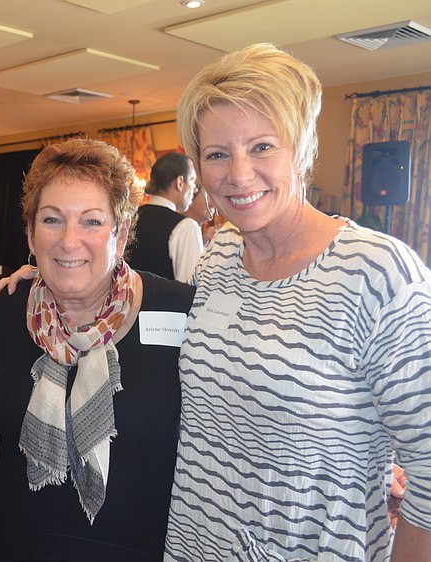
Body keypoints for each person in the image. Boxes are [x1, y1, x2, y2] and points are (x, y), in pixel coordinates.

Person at [164, 43, 431, 561]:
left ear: (302, 150)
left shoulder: (377, 273)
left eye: (263, 146)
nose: (239, 175)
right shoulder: (216, 261)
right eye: (217, 154)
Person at [0, 138, 194, 561]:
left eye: (92, 222)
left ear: (122, 231)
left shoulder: (180, 311)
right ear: (30, 231)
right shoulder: (3, 316)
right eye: (52, 219)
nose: (69, 241)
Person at [128, 152, 202, 281]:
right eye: (192, 181)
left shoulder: (129, 219)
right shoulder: (186, 227)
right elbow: (190, 288)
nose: (195, 189)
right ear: (179, 182)